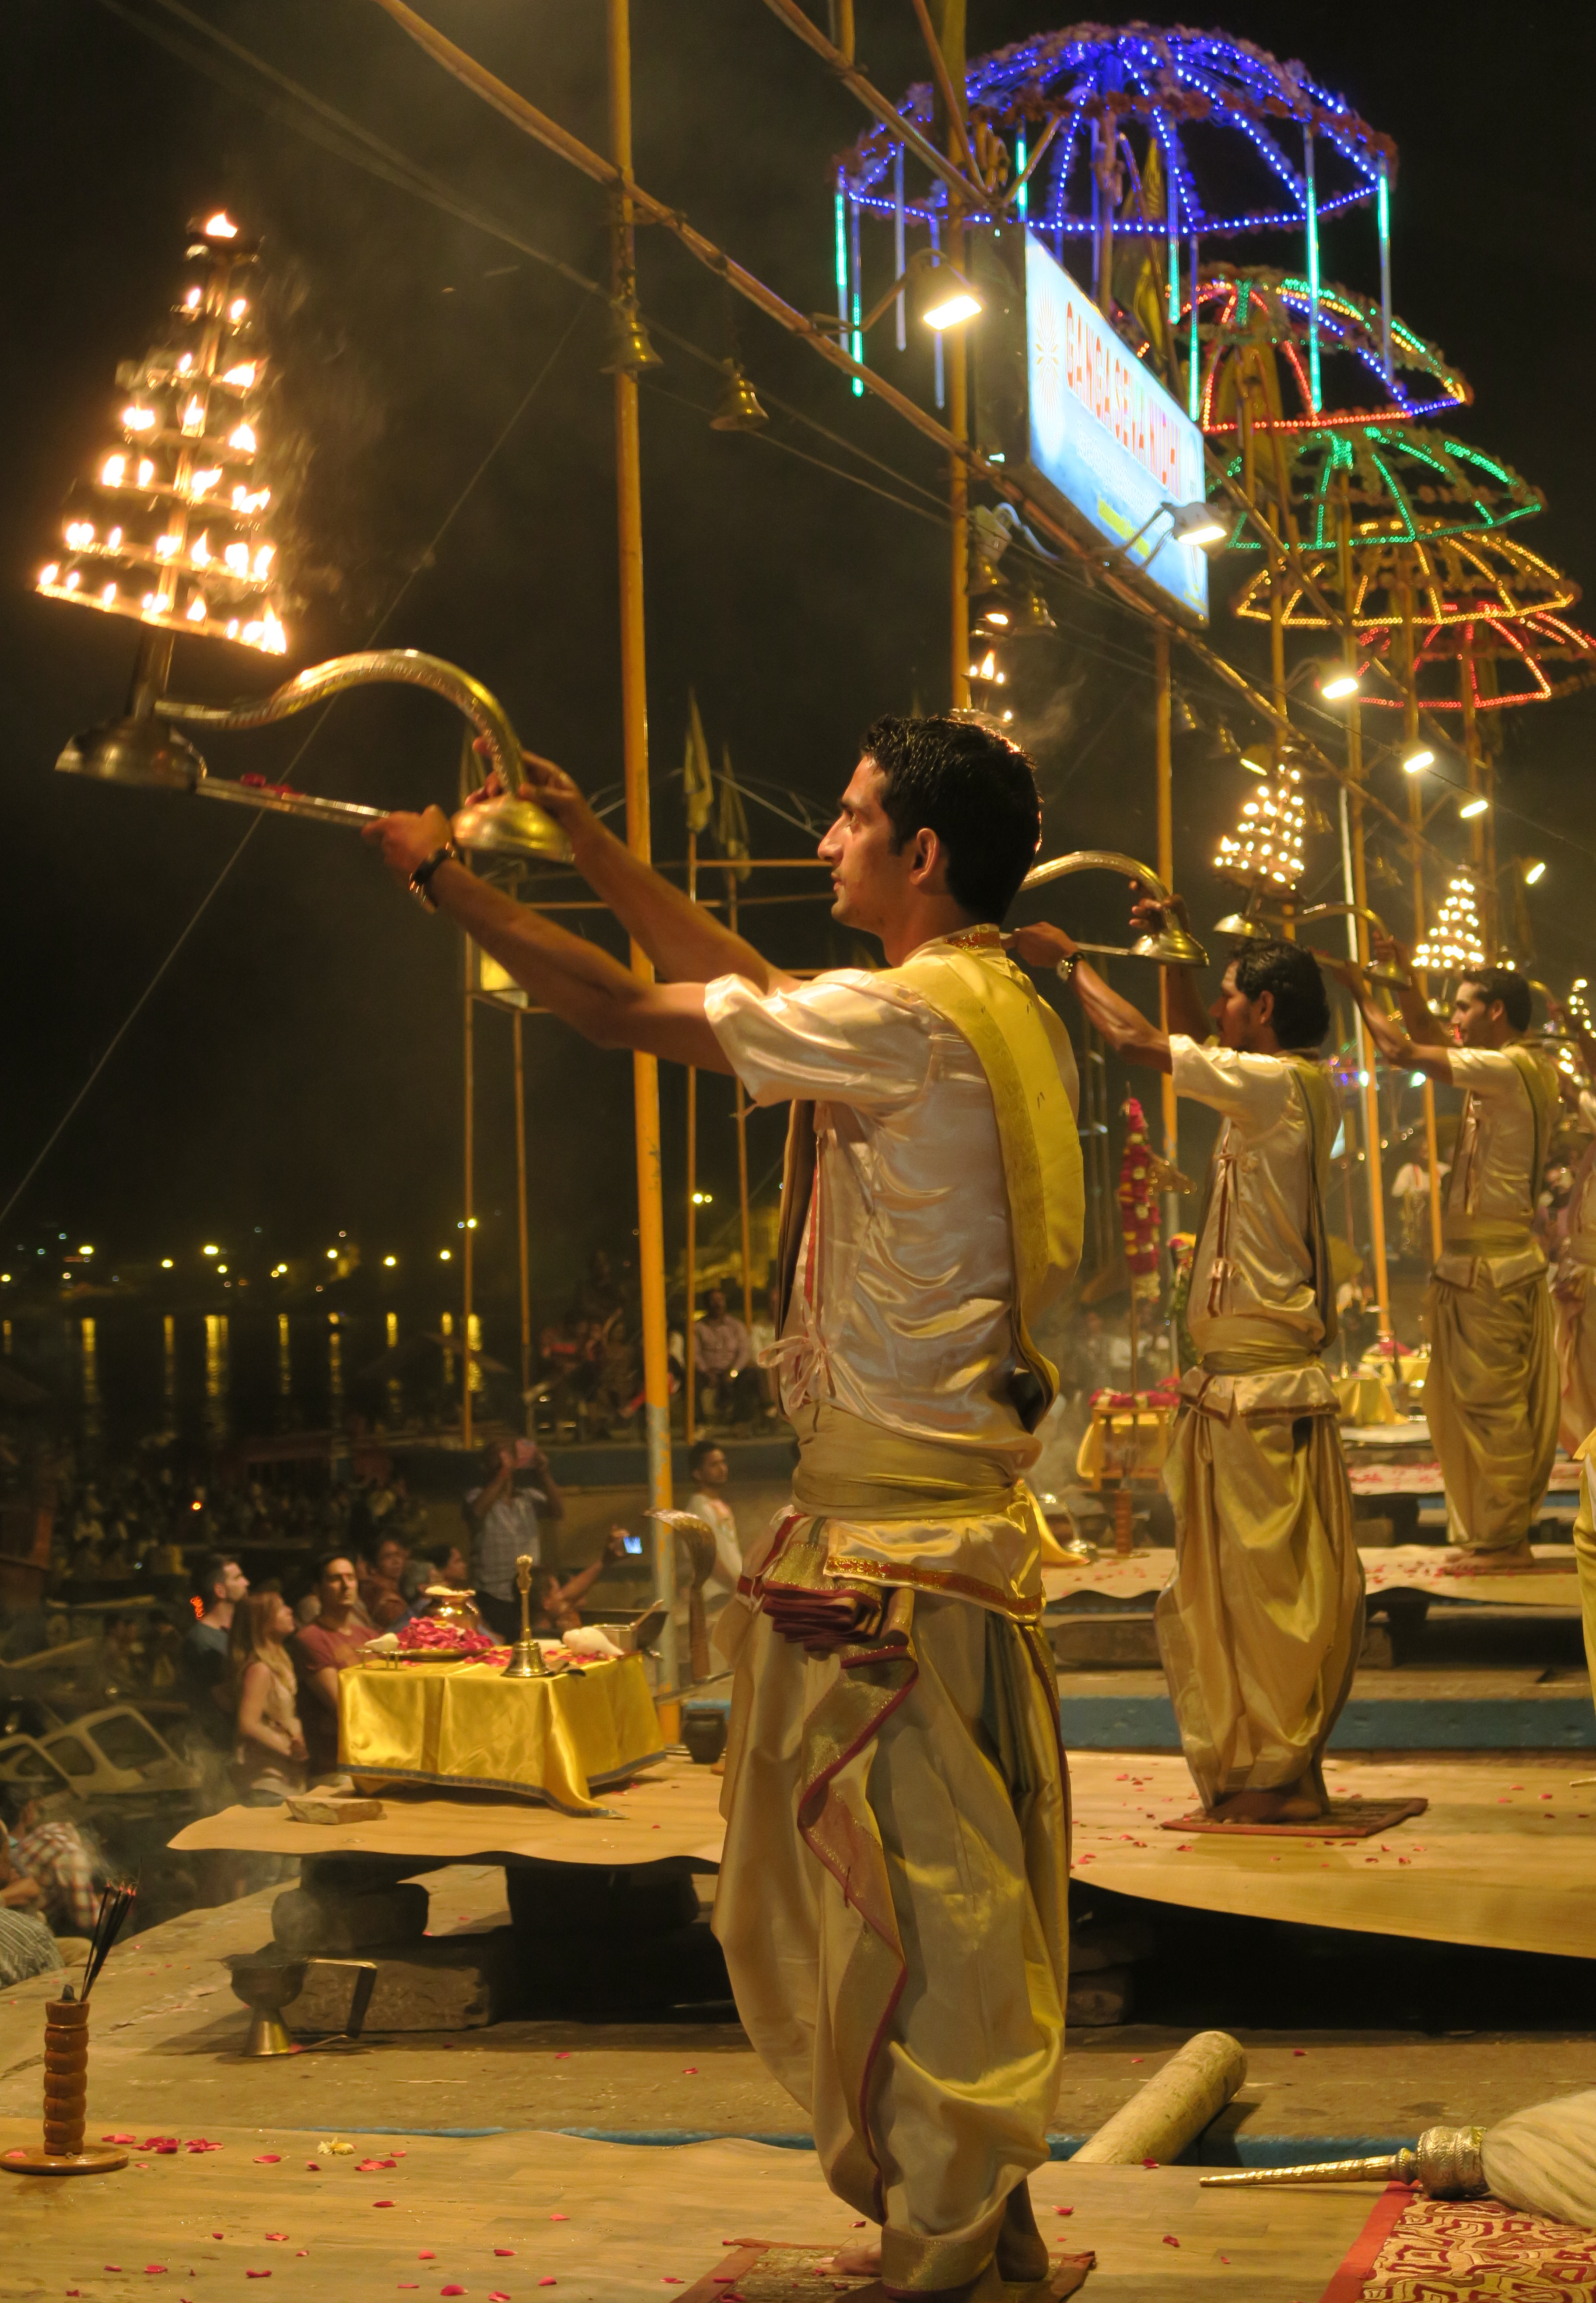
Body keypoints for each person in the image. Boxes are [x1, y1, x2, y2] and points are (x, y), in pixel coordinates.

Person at [369, 710, 1081, 2302]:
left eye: (844, 819)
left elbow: (632, 1007)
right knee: (952, 1896)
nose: (819, 841)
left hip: (892, 1543)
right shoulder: (991, 1001)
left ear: (921, 855)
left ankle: (940, 2252)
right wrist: (589, 841)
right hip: (949, 1525)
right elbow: (732, 987)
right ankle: (985, 2222)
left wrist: (447, 889)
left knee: (910, 1910)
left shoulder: (901, 1018)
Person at [1015, 905, 1362, 1826]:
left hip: (1258, 1388)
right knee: (1249, 1588)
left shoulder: (1277, 1087)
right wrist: (1172, 946)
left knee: (1264, 1594)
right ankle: (1280, 1770)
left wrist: (1070, 961)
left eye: (1230, 997)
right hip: (1244, 1384)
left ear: (1269, 1008)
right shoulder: (1275, 1083)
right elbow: (1181, 1037)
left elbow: (1138, 1042)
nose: (1218, 1010)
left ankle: (1279, 1771)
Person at [1338, 946, 1559, 1560]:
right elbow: (1431, 1035)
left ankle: (1502, 1535)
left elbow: (1407, 1050)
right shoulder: (1507, 1064)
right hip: (1482, 1264)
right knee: (1474, 1404)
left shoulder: (1513, 1067)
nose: (1453, 1016)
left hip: (1492, 1270)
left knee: (1494, 1407)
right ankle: (1494, 1531)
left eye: (1464, 1005)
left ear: (1496, 1010)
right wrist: (1403, 981)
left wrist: (1361, 990)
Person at [464, 1440, 565, 1642]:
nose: (505, 1460)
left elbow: (558, 1511)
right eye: (499, 1456)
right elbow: (477, 1511)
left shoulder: (528, 1498)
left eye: (509, 1455)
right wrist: (503, 1473)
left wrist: (543, 1471)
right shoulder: (476, 1496)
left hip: (528, 1592)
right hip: (493, 1594)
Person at [291, 1554, 374, 1777]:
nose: (346, 1585)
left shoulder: (369, 1636)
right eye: (336, 1579)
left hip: (376, 1754)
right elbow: (341, 1705)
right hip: (336, 1767)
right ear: (317, 1589)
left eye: (351, 1577)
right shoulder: (311, 1638)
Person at [229, 1591, 308, 1802]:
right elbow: (248, 1724)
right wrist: (287, 1749)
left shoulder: (281, 1664)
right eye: (281, 1608)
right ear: (263, 1622)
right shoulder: (260, 1670)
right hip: (267, 1782)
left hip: (285, 1778)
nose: (290, 1610)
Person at [0, 1786, 99, 1935]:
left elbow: (29, 1887)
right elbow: (88, 1919)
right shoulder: (62, 1846)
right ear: (27, 1810)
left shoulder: (35, 1838)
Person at [182, 1553, 249, 1747]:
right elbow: (226, 1702)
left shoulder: (236, 1631)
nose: (247, 1582)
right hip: (223, 1745)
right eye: (237, 1578)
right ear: (220, 1590)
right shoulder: (202, 1641)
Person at [685, 1438, 742, 1616]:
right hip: (717, 1594)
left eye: (723, 1463)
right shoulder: (698, 1508)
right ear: (697, 1474)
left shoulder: (721, 1506)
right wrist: (736, 1588)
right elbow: (707, 1556)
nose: (722, 1469)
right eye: (714, 1465)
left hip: (732, 1592)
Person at [691, 1286, 753, 1425]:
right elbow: (695, 1354)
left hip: (731, 1370)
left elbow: (744, 1352)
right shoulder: (698, 1328)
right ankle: (698, 1423)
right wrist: (706, 1371)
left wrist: (733, 1372)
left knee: (749, 1375)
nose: (717, 1304)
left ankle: (741, 1422)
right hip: (708, 1371)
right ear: (706, 1304)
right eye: (713, 1301)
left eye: (720, 1300)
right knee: (692, 1380)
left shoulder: (736, 1326)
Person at [359, 1532, 411, 1630]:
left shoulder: (393, 1590)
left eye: (398, 1555)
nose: (396, 1562)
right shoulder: (389, 1602)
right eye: (388, 1557)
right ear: (374, 1565)